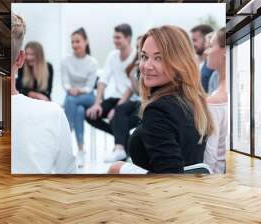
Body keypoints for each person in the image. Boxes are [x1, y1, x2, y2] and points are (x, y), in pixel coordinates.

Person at [108, 25, 215, 174]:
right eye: (144, 56)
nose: (146, 66)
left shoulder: (159, 110)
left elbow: (169, 180)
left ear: (179, 62)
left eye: (159, 58)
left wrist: (122, 169)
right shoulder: (193, 102)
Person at [11, 14, 76, 174]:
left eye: (34, 54)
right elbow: (68, 174)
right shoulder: (54, 114)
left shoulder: (48, 68)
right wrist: (33, 94)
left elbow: (47, 91)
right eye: (28, 55)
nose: (31, 58)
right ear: (21, 58)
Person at [86, 23, 137, 162]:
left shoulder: (135, 55)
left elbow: (131, 87)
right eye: (114, 37)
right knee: (90, 115)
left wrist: (116, 108)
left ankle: (119, 147)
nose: (115, 40)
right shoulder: (112, 55)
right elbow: (103, 79)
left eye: (118, 37)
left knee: (117, 115)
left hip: (130, 100)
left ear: (128, 38)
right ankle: (122, 137)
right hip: (114, 97)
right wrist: (97, 104)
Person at [61, 27, 98, 167]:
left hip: (87, 97)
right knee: (79, 111)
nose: (75, 45)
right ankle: (81, 150)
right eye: (72, 42)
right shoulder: (66, 61)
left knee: (71, 101)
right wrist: (71, 89)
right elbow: (64, 82)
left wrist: (78, 90)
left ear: (85, 42)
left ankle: (65, 133)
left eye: (77, 41)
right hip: (72, 95)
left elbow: (90, 86)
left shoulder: (92, 62)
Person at [110, 36, 143, 159]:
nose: (139, 50)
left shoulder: (147, 66)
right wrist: (132, 75)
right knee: (119, 111)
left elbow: (141, 93)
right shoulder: (136, 65)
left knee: (119, 121)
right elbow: (134, 90)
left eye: (141, 46)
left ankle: (123, 148)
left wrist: (133, 75)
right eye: (138, 47)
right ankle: (120, 148)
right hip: (138, 101)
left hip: (145, 102)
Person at [204, 28, 228, 174]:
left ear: (225, 51)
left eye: (211, 46)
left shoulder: (214, 101)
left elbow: (210, 157)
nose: (206, 52)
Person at [190, 24, 214, 93]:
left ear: (206, 40)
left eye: (195, 40)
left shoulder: (213, 66)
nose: (192, 44)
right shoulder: (191, 63)